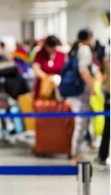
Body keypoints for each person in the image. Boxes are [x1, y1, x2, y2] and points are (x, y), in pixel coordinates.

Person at [67, 28, 102, 164]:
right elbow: (83, 70)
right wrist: (93, 87)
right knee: (80, 124)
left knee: (82, 124)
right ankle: (75, 154)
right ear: (88, 37)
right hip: (81, 92)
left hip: (76, 91)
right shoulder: (84, 49)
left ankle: (78, 153)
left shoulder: (76, 48)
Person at [97, 41, 110, 171]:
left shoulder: (106, 57)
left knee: (107, 127)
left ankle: (102, 156)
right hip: (109, 94)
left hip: (108, 94)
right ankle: (102, 155)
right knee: (107, 127)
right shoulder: (107, 58)